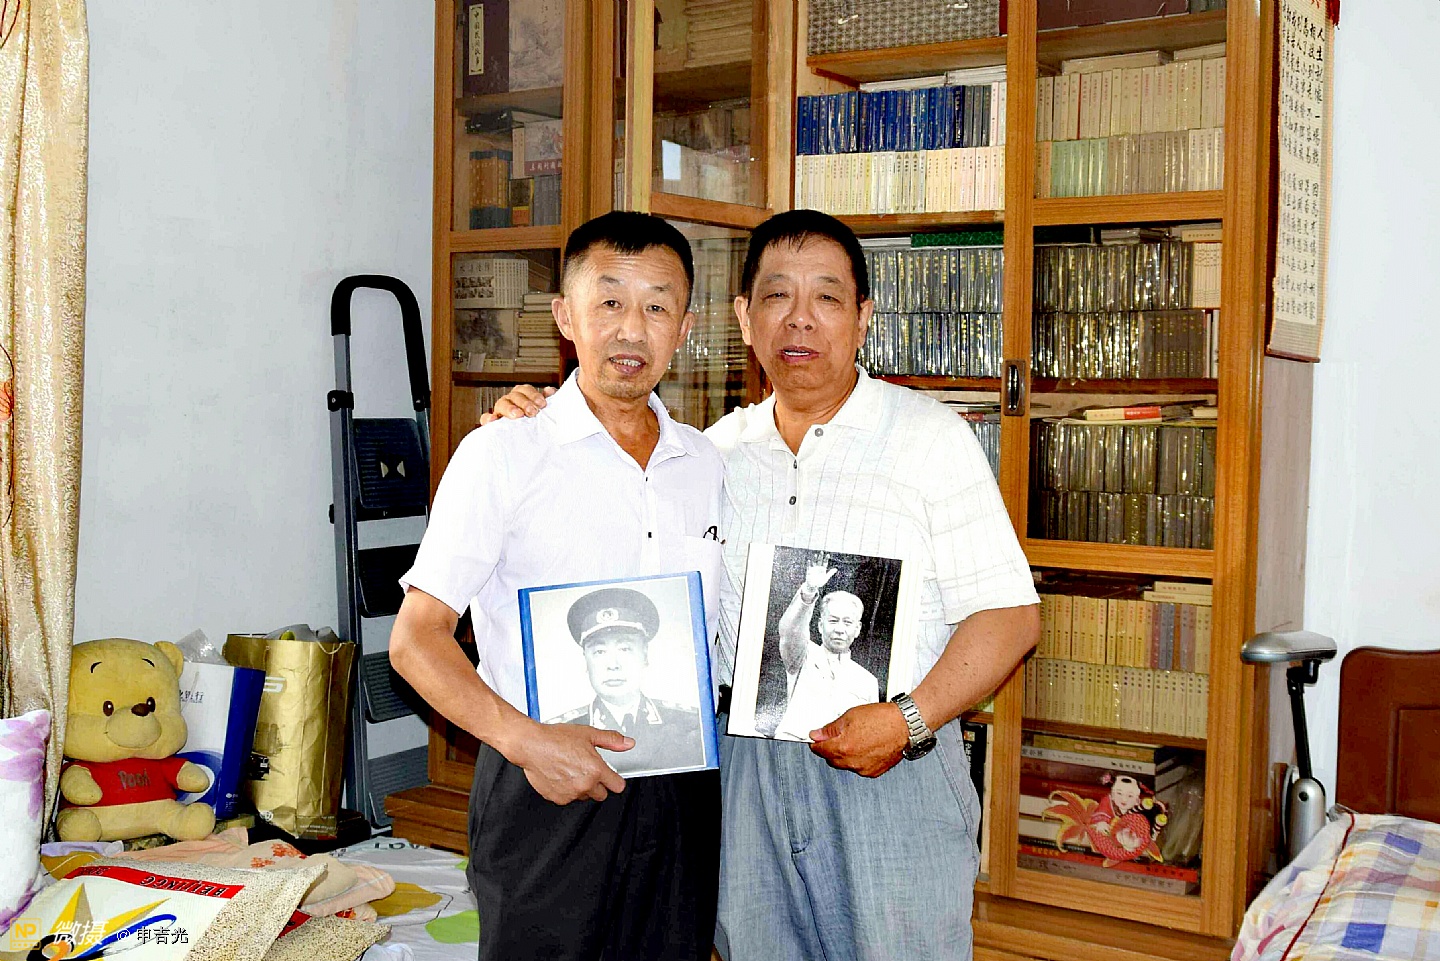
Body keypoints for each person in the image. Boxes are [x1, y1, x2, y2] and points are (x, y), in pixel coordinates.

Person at [486, 209, 1040, 961]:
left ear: (863, 317)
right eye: (778, 296)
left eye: (827, 297)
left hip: (893, 771)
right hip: (746, 774)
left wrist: (908, 719)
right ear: (745, 319)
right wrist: (532, 419)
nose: (800, 319)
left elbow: (1009, 616)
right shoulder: (711, 454)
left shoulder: (929, 437)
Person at [388, 211, 725, 961]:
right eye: (609, 301)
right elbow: (415, 639)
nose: (631, 329)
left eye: (657, 306)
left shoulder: (707, 463)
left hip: (679, 790)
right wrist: (528, 742)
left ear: (685, 327)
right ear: (564, 316)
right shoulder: (503, 453)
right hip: (540, 782)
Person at [549, 586, 706, 773]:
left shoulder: (690, 723)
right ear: (586, 660)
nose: (613, 665)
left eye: (625, 649)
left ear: (645, 655)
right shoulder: (559, 732)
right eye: (599, 651)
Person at [771, 561, 879, 741]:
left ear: (857, 629)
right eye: (833, 620)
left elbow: (867, 736)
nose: (840, 629)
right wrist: (808, 591)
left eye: (847, 622)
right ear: (821, 625)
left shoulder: (868, 682)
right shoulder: (802, 655)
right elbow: (790, 631)